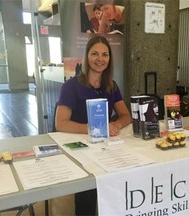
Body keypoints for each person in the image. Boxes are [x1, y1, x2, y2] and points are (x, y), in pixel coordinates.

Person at [55, 35, 132, 215]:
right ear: (87, 57)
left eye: (105, 55)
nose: (100, 59)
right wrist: (93, 128)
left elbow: (125, 115)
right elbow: (61, 123)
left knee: (116, 186)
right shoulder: (70, 86)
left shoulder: (111, 86)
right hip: (82, 149)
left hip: (107, 147)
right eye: (95, 54)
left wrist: (116, 125)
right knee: (87, 198)